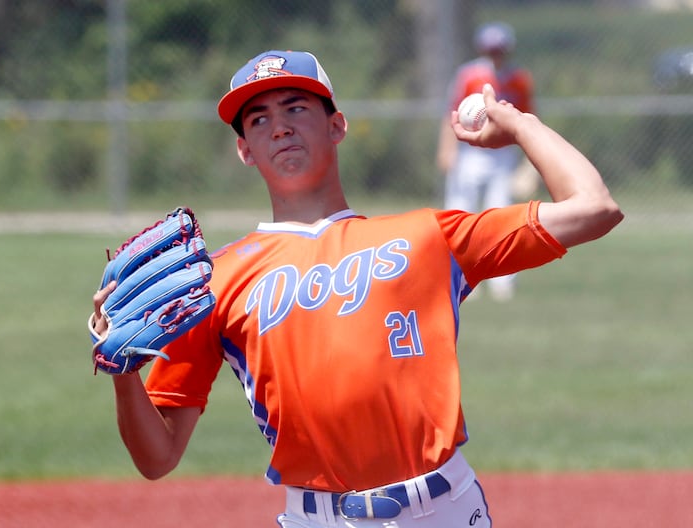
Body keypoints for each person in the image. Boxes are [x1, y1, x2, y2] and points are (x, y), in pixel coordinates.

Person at [91, 49, 623, 527]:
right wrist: (124, 375)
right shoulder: (210, 282)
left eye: (296, 108)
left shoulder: (427, 236)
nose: (279, 128)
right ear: (245, 150)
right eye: (259, 118)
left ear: (337, 125)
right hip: (316, 519)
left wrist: (520, 124)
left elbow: (594, 209)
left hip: (444, 511)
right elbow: (157, 458)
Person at [436, 22, 536, 301]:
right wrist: (447, 150)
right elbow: (451, 113)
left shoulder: (519, 79)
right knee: (460, 214)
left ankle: (501, 280)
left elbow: (529, 120)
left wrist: (529, 165)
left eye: (500, 49)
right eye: (491, 49)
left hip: (503, 155)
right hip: (470, 152)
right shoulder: (469, 74)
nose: (496, 54)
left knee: (501, 216)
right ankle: (456, 276)